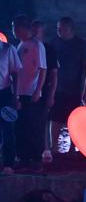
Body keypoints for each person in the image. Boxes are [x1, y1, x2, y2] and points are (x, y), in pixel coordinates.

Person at [49, 17, 86, 156]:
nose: (59, 31)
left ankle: (73, 147)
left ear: (71, 29)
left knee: (74, 119)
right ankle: (54, 147)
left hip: (75, 88)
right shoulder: (54, 43)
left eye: (63, 28)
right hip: (57, 87)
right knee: (55, 118)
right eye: (58, 28)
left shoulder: (80, 44)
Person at [13, 15, 46, 171]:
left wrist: (38, 90)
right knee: (21, 126)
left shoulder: (36, 45)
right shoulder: (20, 45)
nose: (13, 30)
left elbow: (43, 69)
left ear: (20, 28)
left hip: (31, 91)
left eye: (14, 27)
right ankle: (23, 157)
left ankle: (36, 159)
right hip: (20, 91)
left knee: (33, 126)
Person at [32, 20, 58, 163]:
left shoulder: (48, 49)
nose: (34, 34)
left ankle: (46, 148)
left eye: (37, 31)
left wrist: (51, 94)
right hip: (28, 89)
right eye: (33, 31)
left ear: (42, 33)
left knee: (44, 119)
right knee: (30, 119)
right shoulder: (25, 46)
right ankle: (32, 149)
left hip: (44, 88)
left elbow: (53, 73)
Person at [0, 36, 22, 174]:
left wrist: (16, 96)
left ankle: (9, 162)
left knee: (7, 128)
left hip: (4, 93)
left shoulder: (8, 49)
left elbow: (16, 74)